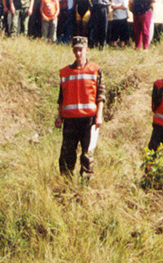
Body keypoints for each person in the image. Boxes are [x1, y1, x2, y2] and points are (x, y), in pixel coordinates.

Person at [55, 37, 105, 179]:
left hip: (88, 121)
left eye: (81, 50)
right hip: (70, 121)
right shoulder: (65, 73)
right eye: (75, 50)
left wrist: (99, 116)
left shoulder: (95, 70)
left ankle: (85, 186)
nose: (78, 53)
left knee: (87, 155)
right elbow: (61, 98)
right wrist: (59, 117)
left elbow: (100, 95)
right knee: (66, 155)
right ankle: (66, 184)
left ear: (86, 51)